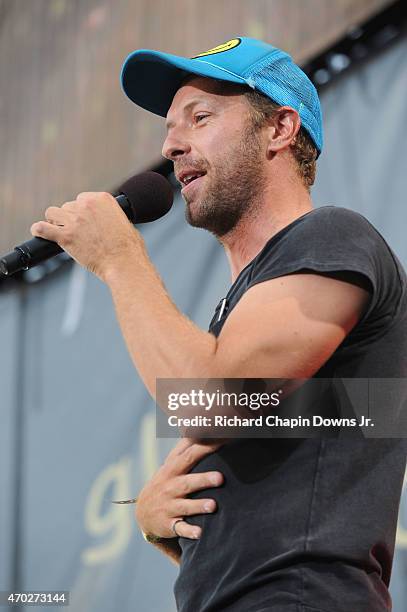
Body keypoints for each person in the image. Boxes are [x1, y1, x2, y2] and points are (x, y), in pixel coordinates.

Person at [30, 37, 406, 612]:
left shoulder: (333, 236)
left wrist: (118, 258)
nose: (171, 145)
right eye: (169, 128)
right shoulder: (240, 309)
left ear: (279, 129)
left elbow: (212, 401)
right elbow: (282, 508)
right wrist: (162, 523)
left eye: (199, 118)